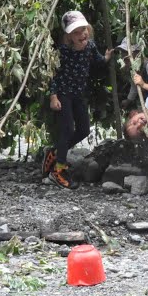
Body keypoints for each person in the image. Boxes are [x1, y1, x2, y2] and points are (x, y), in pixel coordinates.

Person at [43, 10, 114, 189]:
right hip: (63, 94)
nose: (82, 34)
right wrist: (53, 96)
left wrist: (106, 58)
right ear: (69, 37)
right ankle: (57, 170)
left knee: (83, 129)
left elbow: (97, 60)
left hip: (79, 94)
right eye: (76, 32)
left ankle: (56, 152)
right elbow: (54, 75)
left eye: (84, 30)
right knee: (67, 129)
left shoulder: (90, 46)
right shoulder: (64, 51)